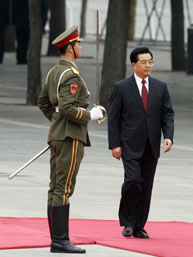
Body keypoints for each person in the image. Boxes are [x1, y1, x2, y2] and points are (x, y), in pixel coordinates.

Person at [38, 25, 105, 254]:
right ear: (69, 47)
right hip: (70, 137)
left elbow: (45, 104)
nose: (81, 47)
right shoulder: (69, 75)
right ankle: (60, 240)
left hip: (59, 135)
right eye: (78, 44)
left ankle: (58, 239)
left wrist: (57, 122)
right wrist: (90, 115)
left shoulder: (53, 72)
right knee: (64, 188)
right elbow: (66, 107)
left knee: (55, 187)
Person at [108, 47, 174, 239]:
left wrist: (168, 136)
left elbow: (167, 114)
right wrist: (115, 145)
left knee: (146, 186)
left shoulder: (160, 87)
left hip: (151, 146)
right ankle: (127, 222)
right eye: (144, 62)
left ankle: (139, 225)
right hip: (129, 145)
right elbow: (113, 119)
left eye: (150, 62)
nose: (148, 65)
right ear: (133, 64)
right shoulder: (121, 87)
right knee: (132, 181)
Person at [12, 0, 29, 64]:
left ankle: (20, 58)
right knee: (25, 42)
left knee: (20, 41)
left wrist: (14, 21)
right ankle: (23, 58)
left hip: (19, 22)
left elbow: (14, 9)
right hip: (27, 22)